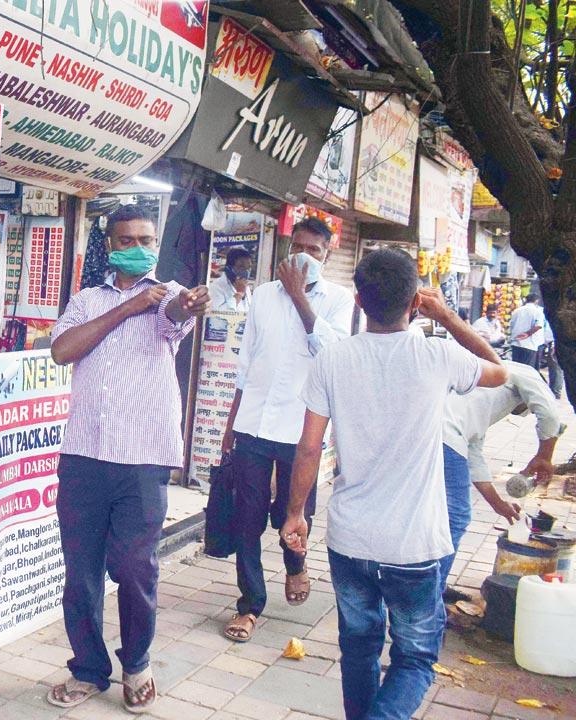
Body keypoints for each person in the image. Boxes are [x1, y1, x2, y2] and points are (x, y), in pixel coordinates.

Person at [281, 249, 506, 720]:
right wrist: (445, 314)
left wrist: (295, 512)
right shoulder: (438, 355)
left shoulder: (333, 359)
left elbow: (307, 448)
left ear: (359, 300)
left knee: (359, 651)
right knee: (416, 659)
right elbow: (500, 370)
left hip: (351, 540)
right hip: (415, 546)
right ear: (414, 301)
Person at [46, 204, 209, 714]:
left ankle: (136, 662)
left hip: (142, 461)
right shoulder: (86, 300)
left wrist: (180, 305)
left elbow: (177, 319)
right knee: (81, 573)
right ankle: (89, 669)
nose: (137, 246)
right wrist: (125, 308)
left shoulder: (170, 297)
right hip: (84, 458)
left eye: (145, 237)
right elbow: (62, 350)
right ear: (111, 246)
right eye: (127, 239)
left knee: (137, 568)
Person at [218, 217, 354, 643]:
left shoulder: (338, 299)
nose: (303, 256)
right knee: (247, 518)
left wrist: (299, 297)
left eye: (314, 250)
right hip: (254, 423)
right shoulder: (261, 296)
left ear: (327, 256)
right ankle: (249, 605)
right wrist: (230, 425)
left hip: (302, 428)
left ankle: (295, 565)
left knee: (294, 513)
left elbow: (333, 353)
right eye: (298, 246)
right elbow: (246, 365)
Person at [441, 360, 562, 600]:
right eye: (519, 408)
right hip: (444, 436)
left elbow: (473, 455)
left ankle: (431, 582)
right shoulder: (524, 372)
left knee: (436, 514)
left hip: (433, 434)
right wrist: (545, 455)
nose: (514, 411)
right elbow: (548, 412)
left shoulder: (477, 397)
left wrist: (499, 505)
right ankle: (433, 590)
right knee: (456, 517)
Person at [208, 247, 253, 312]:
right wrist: (239, 294)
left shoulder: (246, 287)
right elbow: (218, 316)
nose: (246, 271)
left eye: (249, 267)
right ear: (229, 268)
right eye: (241, 267)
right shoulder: (216, 287)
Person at [509, 293, 546, 367]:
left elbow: (511, 325)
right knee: (526, 370)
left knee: (516, 368)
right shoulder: (538, 311)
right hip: (529, 345)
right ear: (536, 301)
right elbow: (538, 326)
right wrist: (528, 334)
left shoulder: (517, 311)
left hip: (516, 343)